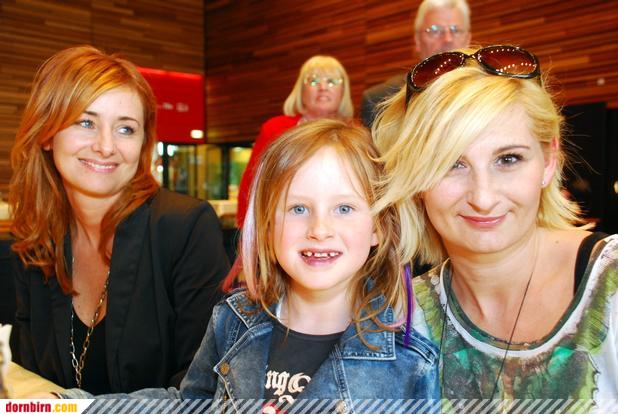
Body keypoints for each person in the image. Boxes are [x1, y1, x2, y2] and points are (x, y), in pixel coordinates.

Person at [56, 120, 440, 410]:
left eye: (344, 208)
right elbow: (191, 404)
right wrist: (70, 406)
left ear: (378, 226)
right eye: (298, 208)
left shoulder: (411, 354)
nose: (319, 229)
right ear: (268, 225)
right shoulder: (233, 319)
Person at [373, 44, 618, 402]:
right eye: (451, 164)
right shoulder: (402, 321)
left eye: (508, 159)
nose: (483, 197)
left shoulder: (611, 283)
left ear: (549, 160)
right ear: (415, 177)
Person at [9, 45, 229, 394]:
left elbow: (203, 392)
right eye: (86, 122)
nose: (106, 146)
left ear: (143, 144)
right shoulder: (37, 239)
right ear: (47, 134)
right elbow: (29, 379)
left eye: (125, 129)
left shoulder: (184, 228)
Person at [235, 55, 353, 229]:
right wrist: (246, 232)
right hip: (282, 226)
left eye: (331, 81)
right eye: (313, 81)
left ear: (343, 90)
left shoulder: (356, 132)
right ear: (301, 91)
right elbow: (252, 185)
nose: (322, 88)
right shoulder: (275, 129)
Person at [360, 0, 471, 128]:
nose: (448, 39)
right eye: (435, 30)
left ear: (468, 39)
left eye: (456, 30)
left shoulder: (487, 94)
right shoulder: (379, 101)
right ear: (417, 40)